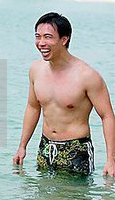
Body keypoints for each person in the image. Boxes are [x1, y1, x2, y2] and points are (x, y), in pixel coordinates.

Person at [13, 12, 115, 177]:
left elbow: (107, 116)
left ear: (64, 39)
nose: (41, 43)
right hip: (45, 147)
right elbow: (33, 107)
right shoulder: (36, 70)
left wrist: (111, 160)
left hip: (76, 150)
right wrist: (22, 146)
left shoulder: (87, 76)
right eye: (38, 37)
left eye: (48, 37)